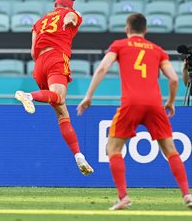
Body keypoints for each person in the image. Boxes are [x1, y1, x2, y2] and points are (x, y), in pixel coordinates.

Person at [77, 13, 192, 210]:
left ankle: (123, 196)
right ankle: (187, 195)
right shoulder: (157, 50)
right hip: (155, 105)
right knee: (171, 150)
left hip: (131, 103)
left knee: (112, 149)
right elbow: (173, 79)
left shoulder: (120, 45)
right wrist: (171, 102)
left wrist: (88, 96)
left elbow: (103, 68)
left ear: (127, 29)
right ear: (145, 30)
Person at [14, 0, 94, 176]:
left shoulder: (39, 22)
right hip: (57, 57)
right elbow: (71, 20)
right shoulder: (71, 13)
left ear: (55, 4)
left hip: (39, 64)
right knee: (59, 97)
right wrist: (69, 21)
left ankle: (79, 156)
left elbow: (33, 52)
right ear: (70, 4)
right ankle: (29, 95)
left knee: (61, 112)